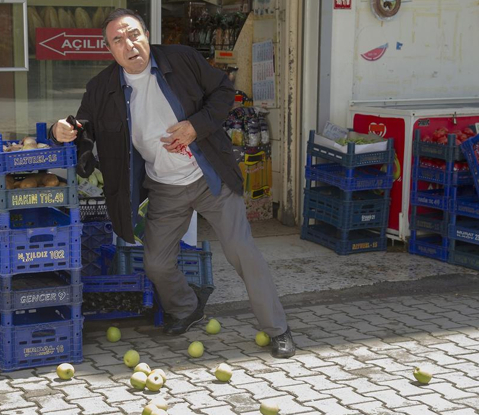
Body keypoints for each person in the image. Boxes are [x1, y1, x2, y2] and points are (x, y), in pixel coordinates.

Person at [50, 8, 295, 358]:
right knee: (156, 263)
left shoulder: (181, 60)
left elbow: (223, 92)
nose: (128, 44)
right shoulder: (102, 88)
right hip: (164, 186)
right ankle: (186, 307)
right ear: (110, 50)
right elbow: (81, 131)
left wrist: (196, 126)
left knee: (243, 252)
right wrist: (59, 131)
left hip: (209, 176)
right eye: (117, 40)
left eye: (133, 34)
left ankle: (277, 329)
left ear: (146, 35)